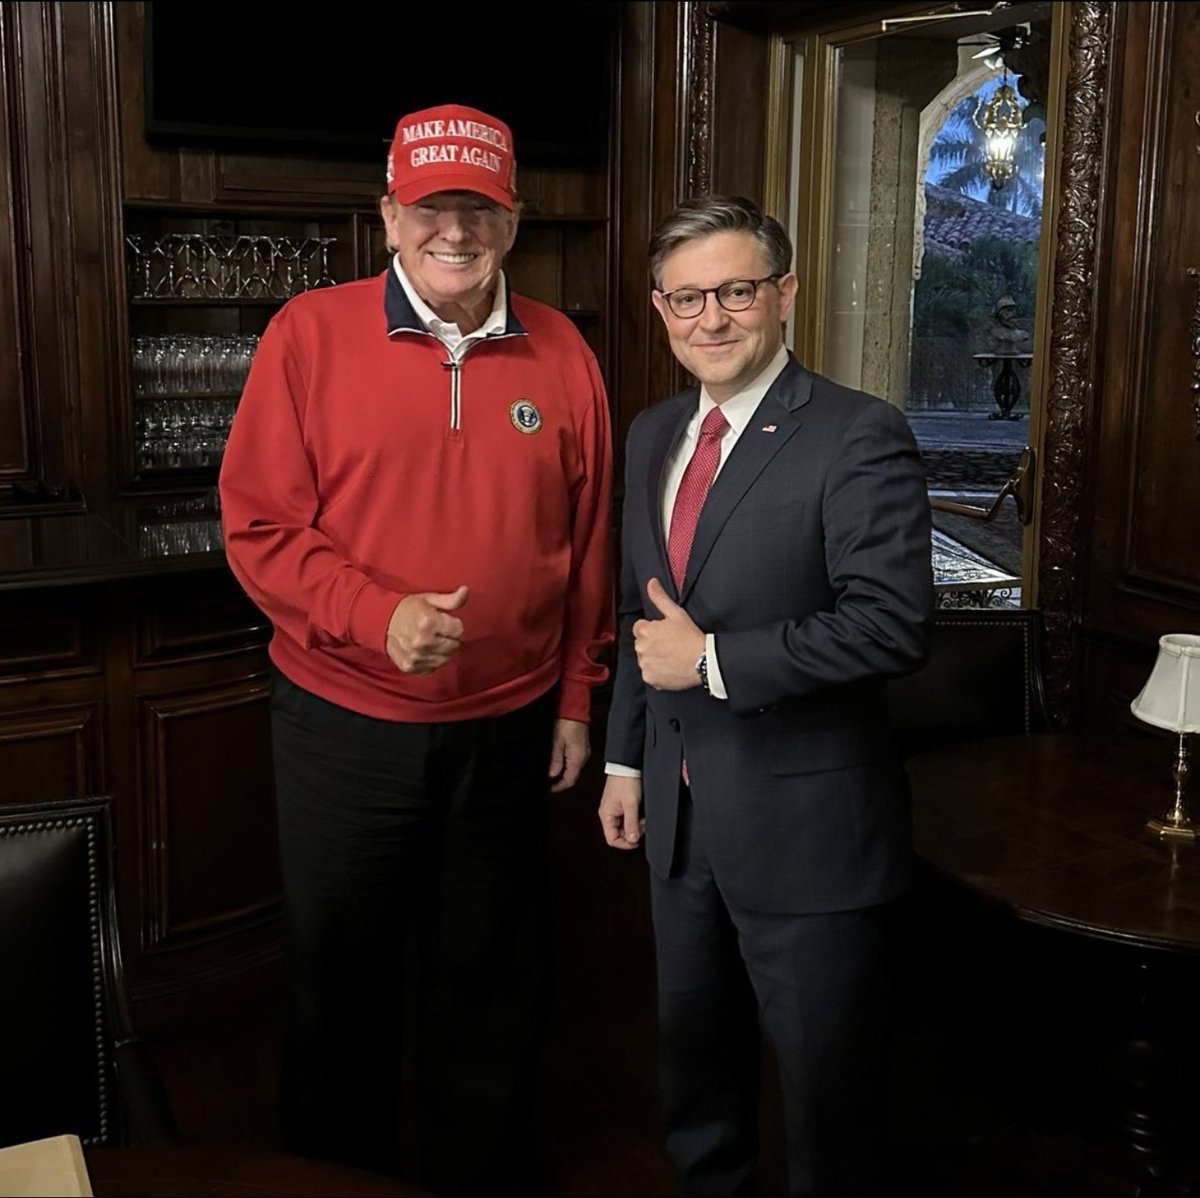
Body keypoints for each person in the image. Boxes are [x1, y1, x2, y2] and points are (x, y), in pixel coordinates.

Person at [220, 102, 614, 1194]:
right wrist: (373, 613)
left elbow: (587, 547)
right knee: (337, 983)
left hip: (510, 725)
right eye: (433, 206)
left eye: (479, 209)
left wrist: (579, 698)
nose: (457, 230)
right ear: (389, 215)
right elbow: (257, 526)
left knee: (488, 983)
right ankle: (329, 1179)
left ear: (514, 220)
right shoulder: (309, 332)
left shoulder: (565, 349)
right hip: (344, 725)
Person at [599, 194, 933, 1197]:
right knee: (698, 1080)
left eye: (736, 291)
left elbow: (893, 624)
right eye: (688, 298)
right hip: (680, 825)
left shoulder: (856, 433)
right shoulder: (651, 434)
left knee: (830, 1105)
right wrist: (625, 758)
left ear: (783, 294)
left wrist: (713, 662)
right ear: (661, 308)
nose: (712, 319)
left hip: (810, 831)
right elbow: (638, 616)